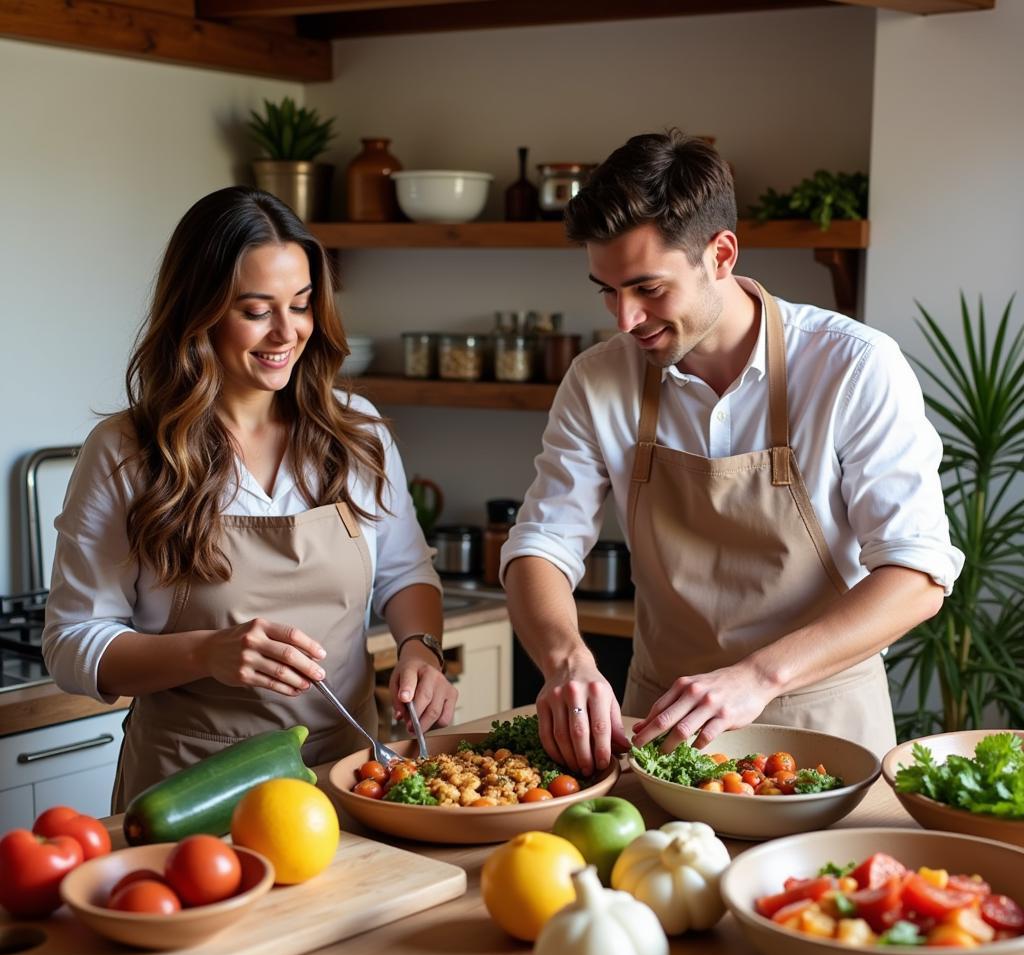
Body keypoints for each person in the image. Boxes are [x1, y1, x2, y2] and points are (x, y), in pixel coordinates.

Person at [500, 130, 963, 776]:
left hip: (823, 730)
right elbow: (540, 548)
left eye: (648, 289)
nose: (624, 320)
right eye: (606, 290)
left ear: (720, 254)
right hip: (657, 728)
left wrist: (758, 676)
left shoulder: (853, 366)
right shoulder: (598, 378)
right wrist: (568, 661)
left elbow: (917, 578)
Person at [42, 186, 458, 810]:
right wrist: (207, 651)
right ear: (200, 311)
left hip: (345, 776)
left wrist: (419, 647)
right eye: (256, 310)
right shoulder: (127, 450)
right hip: (190, 789)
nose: (286, 333)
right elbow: (73, 643)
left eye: (301, 304)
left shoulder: (357, 432)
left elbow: (405, 573)